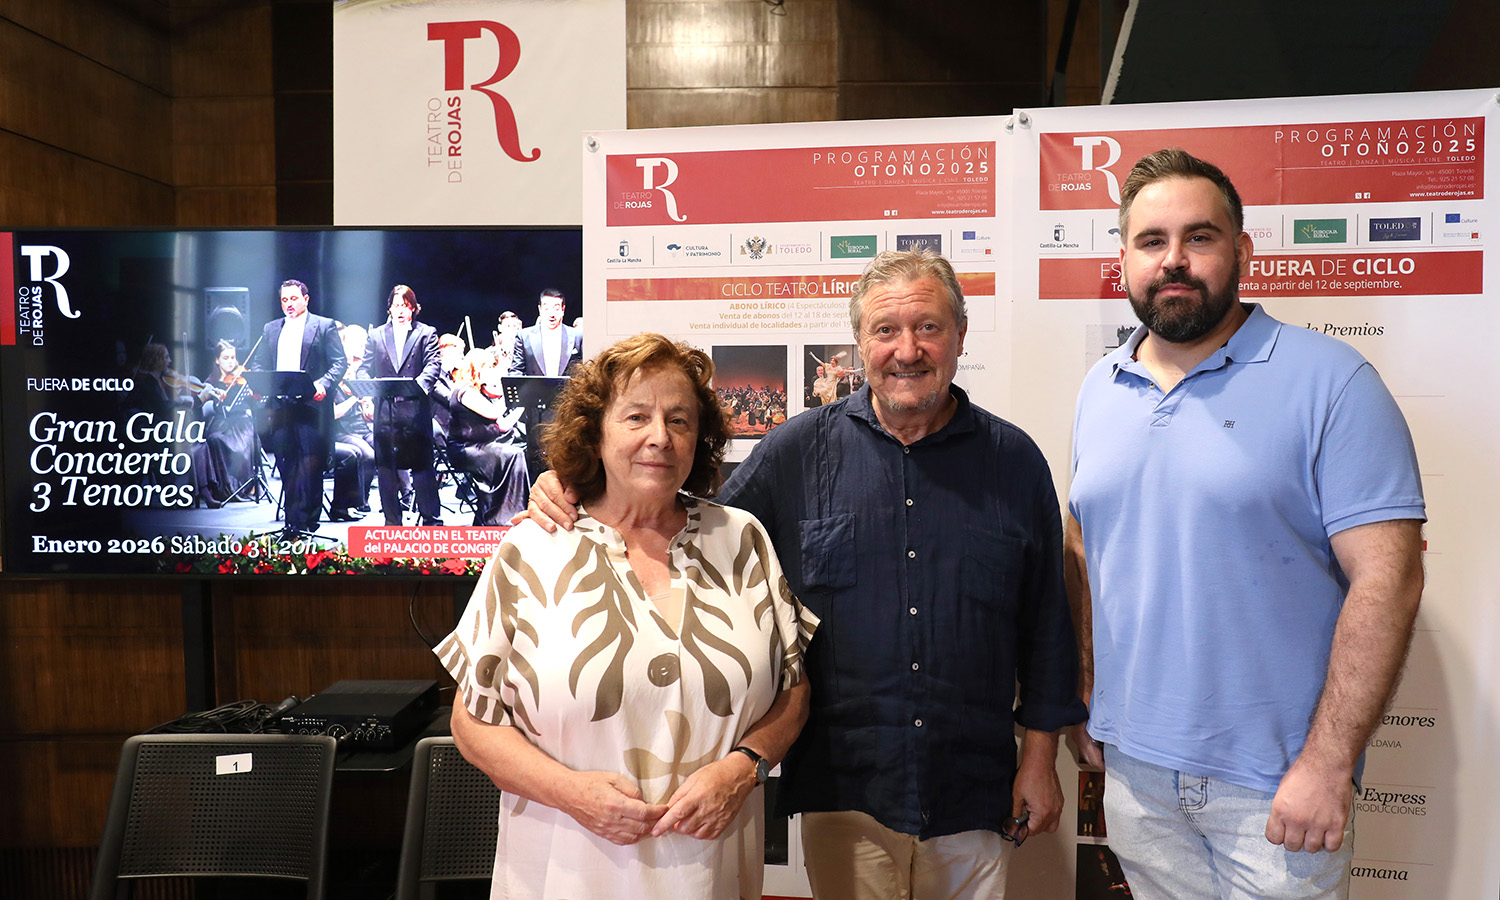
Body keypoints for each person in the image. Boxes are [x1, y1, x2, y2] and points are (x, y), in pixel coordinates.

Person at [527, 250, 1086, 900]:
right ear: (858, 344)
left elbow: (1047, 622)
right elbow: (683, 522)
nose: (907, 350)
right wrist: (577, 481)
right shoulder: (795, 453)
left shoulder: (1012, 462)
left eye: (928, 327)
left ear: (960, 335)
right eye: (885, 331)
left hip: (973, 790)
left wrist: (1041, 759)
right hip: (844, 793)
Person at [1067, 148, 1426, 900]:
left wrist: (1328, 765)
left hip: (1275, 791)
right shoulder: (1101, 388)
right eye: (1150, 241)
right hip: (1135, 779)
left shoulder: (1333, 382)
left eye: (1199, 238)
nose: (1174, 261)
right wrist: (1090, 690)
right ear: (1123, 260)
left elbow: (1387, 578)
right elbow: (1086, 546)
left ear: (1243, 251)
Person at [437, 333, 818, 900]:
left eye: (680, 420)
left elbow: (794, 693)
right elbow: (473, 724)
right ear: (594, 431)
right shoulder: (532, 550)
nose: (659, 437)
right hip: (566, 873)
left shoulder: (742, 539)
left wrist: (746, 768)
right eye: (636, 416)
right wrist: (570, 792)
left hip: (714, 874)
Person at [250, 279, 346, 538]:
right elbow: (259, 364)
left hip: (311, 407)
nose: (289, 304)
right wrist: (259, 382)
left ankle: (307, 524)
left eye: (293, 298)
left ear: (306, 298)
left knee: (310, 466)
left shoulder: (324, 326)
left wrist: (323, 384)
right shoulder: (271, 329)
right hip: (280, 406)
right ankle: (292, 524)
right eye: (284, 300)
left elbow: (339, 363)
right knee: (286, 464)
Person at [363, 285, 443, 526]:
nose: (400, 310)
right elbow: (364, 368)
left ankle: (431, 520)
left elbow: (433, 365)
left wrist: (416, 387)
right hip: (385, 413)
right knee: (386, 469)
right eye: (396, 305)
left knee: (422, 468)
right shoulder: (376, 335)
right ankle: (392, 522)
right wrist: (366, 390)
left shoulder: (425, 333)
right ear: (389, 308)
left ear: (413, 308)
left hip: (415, 413)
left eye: (405, 306)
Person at [442, 349, 530, 525]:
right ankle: (508, 514)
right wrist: (516, 396)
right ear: (477, 368)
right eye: (489, 367)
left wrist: (521, 401)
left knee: (518, 452)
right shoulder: (464, 391)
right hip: (465, 449)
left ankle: (503, 510)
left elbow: (503, 422)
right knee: (512, 455)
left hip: (481, 445)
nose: (492, 371)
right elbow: (495, 413)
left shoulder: (479, 390)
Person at [194, 339, 260, 507]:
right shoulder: (210, 382)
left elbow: (256, 403)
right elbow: (206, 408)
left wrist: (255, 395)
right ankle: (223, 487)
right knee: (215, 439)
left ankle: (245, 485)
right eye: (226, 358)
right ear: (217, 360)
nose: (231, 361)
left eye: (233, 357)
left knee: (243, 441)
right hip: (221, 423)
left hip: (242, 422)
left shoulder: (242, 377)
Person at [329, 324, 375, 521]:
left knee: (386, 443)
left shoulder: (358, 372)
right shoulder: (333, 375)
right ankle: (353, 502)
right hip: (339, 430)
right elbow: (333, 414)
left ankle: (364, 501)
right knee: (367, 454)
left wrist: (367, 403)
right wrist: (354, 396)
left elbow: (369, 411)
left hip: (360, 427)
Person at [509, 288, 583, 376]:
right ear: (540, 309)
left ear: (563, 310)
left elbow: (584, 370)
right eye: (547, 308)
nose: (551, 314)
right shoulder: (524, 336)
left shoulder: (577, 336)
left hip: (568, 389)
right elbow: (516, 371)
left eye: (556, 308)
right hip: (535, 389)